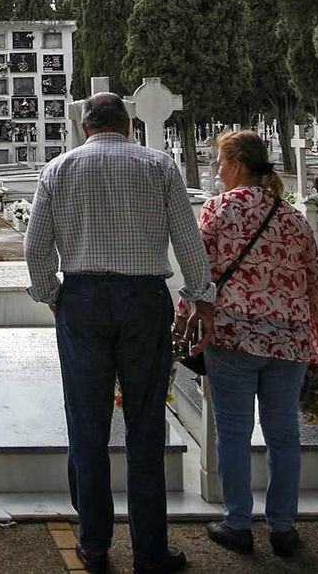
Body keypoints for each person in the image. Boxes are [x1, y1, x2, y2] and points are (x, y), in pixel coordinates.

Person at [25, 93, 215, 574]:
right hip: (144, 300)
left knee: (86, 425)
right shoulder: (159, 166)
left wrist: (51, 293)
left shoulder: (58, 170)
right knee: (145, 425)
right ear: (129, 125)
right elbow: (187, 240)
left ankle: (93, 543)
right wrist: (200, 296)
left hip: (83, 300)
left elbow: (36, 246)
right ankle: (149, 551)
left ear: (85, 126)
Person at [184, 130, 318, 558]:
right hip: (289, 337)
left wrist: (182, 323)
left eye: (219, 161)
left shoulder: (218, 209)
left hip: (234, 334)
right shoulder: (291, 217)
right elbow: (314, 277)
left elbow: (201, 273)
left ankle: (237, 523)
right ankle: (283, 528)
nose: (216, 169)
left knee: (233, 432)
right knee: (283, 432)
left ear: (236, 164)